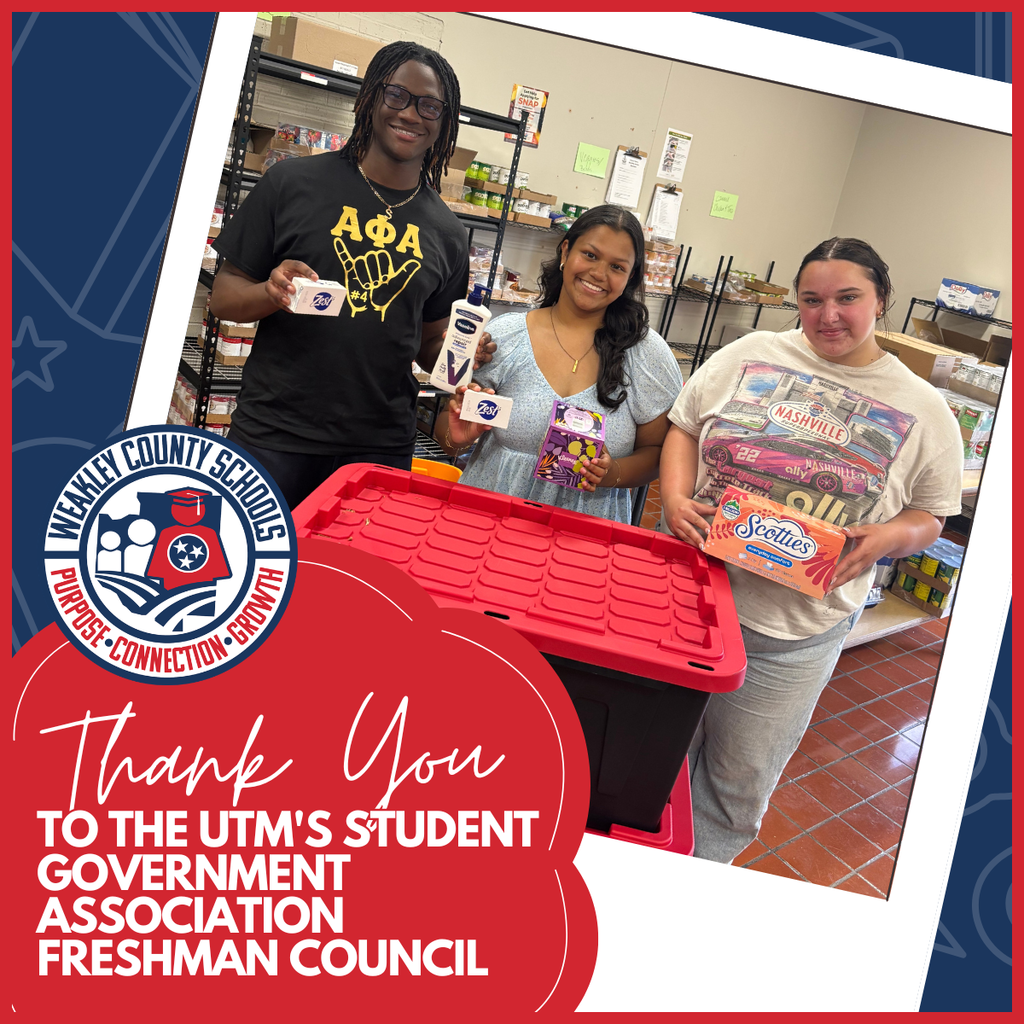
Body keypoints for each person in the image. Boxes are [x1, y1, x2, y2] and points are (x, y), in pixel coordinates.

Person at [659, 237, 964, 863]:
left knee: (733, 788)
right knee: (652, 759)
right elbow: (685, 426)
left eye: (847, 298)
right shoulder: (751, 352)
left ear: (881, 299)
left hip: (790, 636)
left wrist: (888, 537)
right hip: (688, 599)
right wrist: (673, 497)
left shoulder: (923, 408)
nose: (828, 315)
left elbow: (932, 513)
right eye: (811, 300)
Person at [209, 41, 493, 508]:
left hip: (377, 446)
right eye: (396, 95)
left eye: (430, 106)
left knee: (348, 580)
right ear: (370, 98)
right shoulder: (291, 183)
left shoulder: (447, 232)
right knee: (255, 572)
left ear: (444, 123)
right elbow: (224, 297)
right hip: (272, 435)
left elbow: (429, 343)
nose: (410, 114)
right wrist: (271, 290)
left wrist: (460, 352)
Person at [435, 205, 682, 523]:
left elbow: (658, 453)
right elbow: (448, 432)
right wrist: (457, 438)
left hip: (585, 537)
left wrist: (610, 473)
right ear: (566, 250)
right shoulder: (507, 335)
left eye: (617, 267)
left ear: (630, 278)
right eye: (590, 255)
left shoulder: (646, 354)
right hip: (488, 521)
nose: (599, 274)